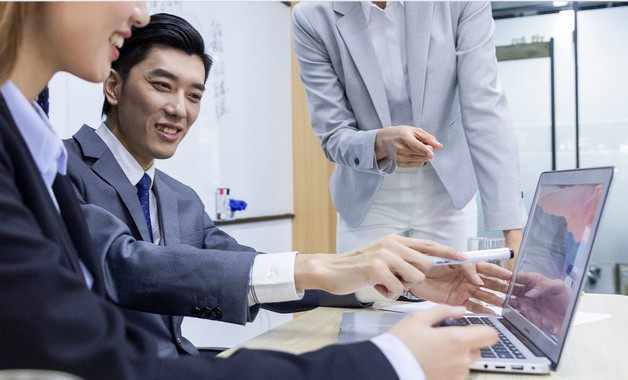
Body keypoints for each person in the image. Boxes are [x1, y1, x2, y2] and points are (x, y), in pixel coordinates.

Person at [0, 3, 497, 379]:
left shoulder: (177, 198)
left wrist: (387, 280)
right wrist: (339, 285)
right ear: (113, 86)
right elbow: (124, 262)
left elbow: (251, 269)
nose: (180, 109)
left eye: (194, 95)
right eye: (162, 85)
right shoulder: (58, 167)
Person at [291, 1, 528, 282]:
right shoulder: (312, 17)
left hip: (447, 193)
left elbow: (484, 107)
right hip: (367, 196)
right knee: (369, 313)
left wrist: (513, 228)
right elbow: (333, 134)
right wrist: (381, 143)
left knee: (453, 309)